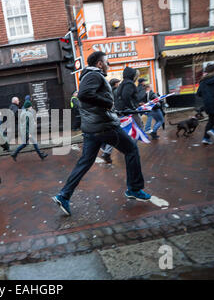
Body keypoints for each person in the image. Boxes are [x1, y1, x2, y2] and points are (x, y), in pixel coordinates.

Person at [52, 51, 151, 216]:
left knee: (84, 162)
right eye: (106, 62)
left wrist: (113, 109)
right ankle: (134, 188)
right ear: (99, 63)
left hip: (93, 129)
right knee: (131, 149)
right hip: (105, 127)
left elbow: (89, 101)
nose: (108, 65)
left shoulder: (87, 77)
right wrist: (106, 103)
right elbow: (85, 96)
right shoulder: (94, 75)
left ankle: (64, 195)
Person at [100, 78, 120, 163]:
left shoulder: (107, 92)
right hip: (111, 117)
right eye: (118, 83)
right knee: (114, 135)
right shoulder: (113, 92)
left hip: (107, 117)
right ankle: (106, 152)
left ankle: (106, 150)